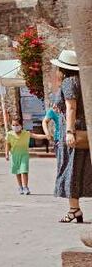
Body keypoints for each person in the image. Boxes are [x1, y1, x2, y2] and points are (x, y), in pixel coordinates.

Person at [51, 50, 92, 223]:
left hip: (74, 131)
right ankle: (74, 209)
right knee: (83, 169)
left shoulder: (69, 82)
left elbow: (71, 107)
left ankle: (74, 209)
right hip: (83, 129)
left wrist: (69, 131)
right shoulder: (83, 81)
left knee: (71, 169)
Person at [6, 116, 47, 195]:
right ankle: (20, 187)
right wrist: (6, 154)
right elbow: (7, 144)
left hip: (24, 155)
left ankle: (25, 187)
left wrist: (46, 136)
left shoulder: (26, 133)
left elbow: (36, 136)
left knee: (24, 170)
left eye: (17, 125)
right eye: (13, 125)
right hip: (14, 155)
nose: (15, 127)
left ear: (21, 125)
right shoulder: (9, 134)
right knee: (17, 172)